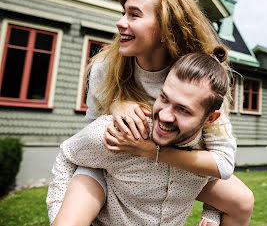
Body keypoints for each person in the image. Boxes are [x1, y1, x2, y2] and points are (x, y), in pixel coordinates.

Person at [46, 0, 253, 225]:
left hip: (175, 166)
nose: (121, 22)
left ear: (165, 28)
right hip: (113, 160)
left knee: (241, 199)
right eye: (124, 13)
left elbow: (219, 155)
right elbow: (91, 132)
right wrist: (116, 104)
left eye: (134, 15)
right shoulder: (106, 67)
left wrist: (212, 210)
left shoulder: (193, 76)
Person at [47, 49, 236, 225]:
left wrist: (211, 214)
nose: (164, 116)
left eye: (183, 109)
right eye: (163, 98)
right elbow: (67, 155)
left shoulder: (205, 151)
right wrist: (58, 215)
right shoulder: (124, 133)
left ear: (209, 119)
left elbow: (209, 174)